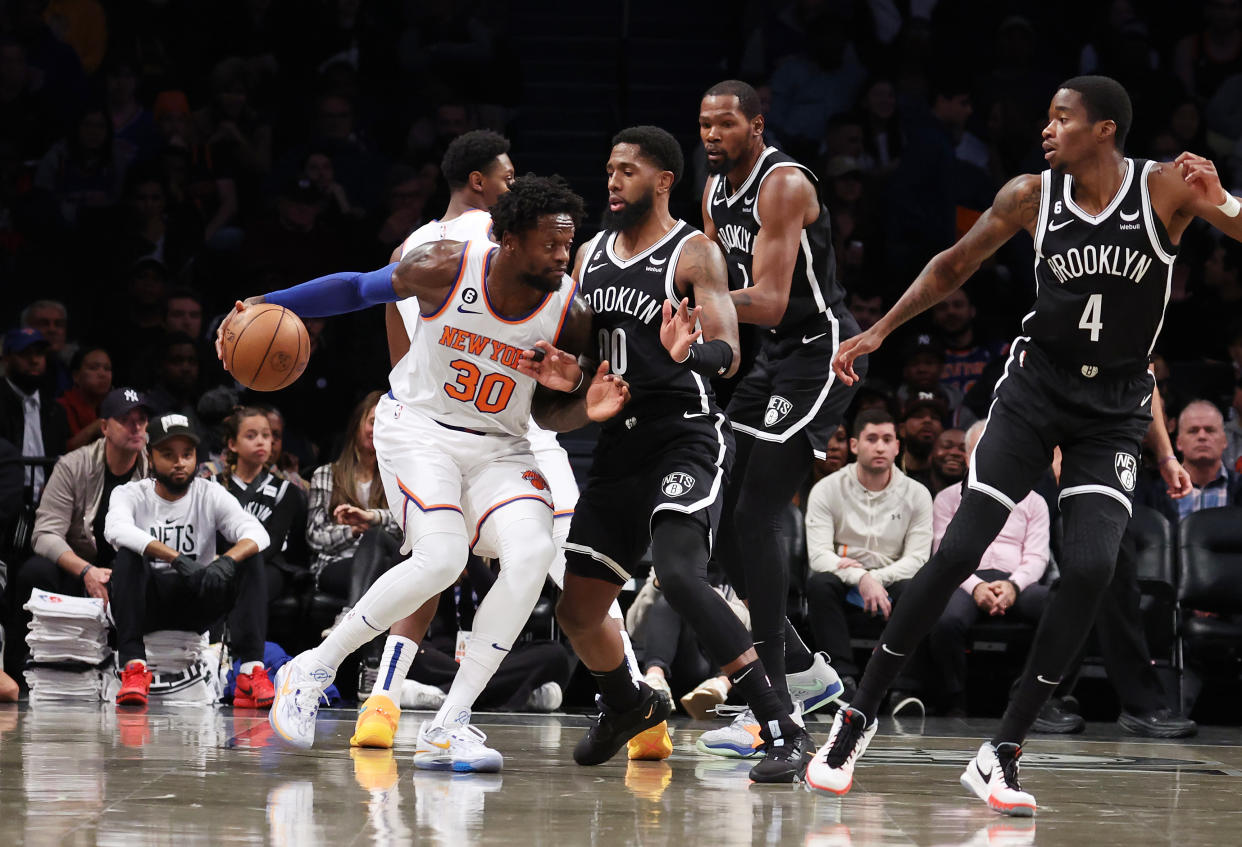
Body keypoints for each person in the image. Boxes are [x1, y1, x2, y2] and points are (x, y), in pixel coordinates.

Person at [808, 75, 1237, 817]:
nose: (1047, 129)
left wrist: (1225, 198)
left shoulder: (1167, 189)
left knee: (1098, 565)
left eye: (1061, 118)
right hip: (1036, 391)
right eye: (1046, 117)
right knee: (959, 548)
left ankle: (1001, 749)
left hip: (1115, 408)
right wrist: (878, 331)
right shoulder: (1029, 196)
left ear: (1104, 129)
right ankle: (856, 715)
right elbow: (952, 265)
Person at [220, 175, 628, 772]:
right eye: (551, 244)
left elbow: (551, 413)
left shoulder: (571, 310)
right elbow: (358, 288)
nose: (564, 257)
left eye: (569, 245)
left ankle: (449, 724)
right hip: (420, 428)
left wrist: (575, 398)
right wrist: (272, 302)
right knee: (441, 559)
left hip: (501, 446)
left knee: (533, 555)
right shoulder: (444, 265)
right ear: (509, 239)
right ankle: (312, 668)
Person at [354, 130, 666, 761]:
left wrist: (414, 394)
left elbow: (389, 317)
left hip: (437, 417)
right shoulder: (513, 242)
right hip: (508, 425)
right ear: (492, 198)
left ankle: (382, 702)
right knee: (573, 570)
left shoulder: (414, 248)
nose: (512, 181)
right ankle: (636, 710)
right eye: (507, 173)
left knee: (430, 563)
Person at [522, 125, 812, 783]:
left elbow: (732, 351)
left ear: (661, 180)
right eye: (608, 168)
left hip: (687, 433)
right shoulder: (589, 255)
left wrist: (690, 351)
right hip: (619, 443)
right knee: (578, 607)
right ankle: (627, 702)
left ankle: (782, 726)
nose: (613, 180)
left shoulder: (693, 252)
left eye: (627, 169)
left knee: (681, 572)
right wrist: (570, 386)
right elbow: (579, 377)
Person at [698, 79, 855, 734]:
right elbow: (710, 283)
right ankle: (806, 673)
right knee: (723, 526)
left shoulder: (784, 183)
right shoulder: (711, 191)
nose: (713, 135)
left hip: (824, 350)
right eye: (705, 124)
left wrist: (689, 302)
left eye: (727, 123)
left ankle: (772, 706)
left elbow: (764, 299)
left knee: (761, 512)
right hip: (770, 360)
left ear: (757, 126)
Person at [104, 412, 271, 707]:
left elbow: (258, 532)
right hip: (149, 602)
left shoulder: (210, 493)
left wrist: (226, 561)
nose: (179, 462)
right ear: (150, 456)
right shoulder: (130, 494)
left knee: (250, 554)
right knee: (129, 554)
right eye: (168, 454)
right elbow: (115, 529)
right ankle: (133, 668)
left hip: (196, 600)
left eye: (187, 454)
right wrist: (175, 557)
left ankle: (250, 672)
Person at [803, 409, 934, 705]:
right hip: (845, 578)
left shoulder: (917, 494)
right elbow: (819, 556)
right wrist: (860, 577)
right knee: (819, 584)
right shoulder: (827, 489)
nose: (879, 447)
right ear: (854, 445)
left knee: (917, 589)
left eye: (887, 439)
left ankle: (902, 688)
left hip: (892, 578)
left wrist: (875, 578)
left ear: (897, 447)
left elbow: (917, 559)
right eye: (871, 438)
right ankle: (842, 679)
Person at [927, 421, 1051, 717]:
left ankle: (1037, 698)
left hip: (1018, 581)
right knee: (944, 620)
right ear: (969, 457)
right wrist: (976, 586)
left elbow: (1036, 556)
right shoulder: (946, 499)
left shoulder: (1034, 502)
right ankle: (954, 700)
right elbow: (942, 554)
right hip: (964, 580)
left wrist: (1014, 585)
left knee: (1059, 608)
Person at [16, 389, 149, 650]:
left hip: (130, 564)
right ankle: (31, 659)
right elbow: (44, 534)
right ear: (104, 428)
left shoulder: (154, 466)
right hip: (79, 562)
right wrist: (87, 571)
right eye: (125, 419)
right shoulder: (73, 465)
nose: (136, 427)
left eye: (141, 419)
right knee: (36, 571)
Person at [200, 406, 309, 616]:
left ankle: (241, 646)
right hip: (216, 561)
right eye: (251, 436)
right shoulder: (211, 485)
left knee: (252, 579)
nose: (261, 441)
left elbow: (273, 542)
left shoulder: (286, 491)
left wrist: (231, 562)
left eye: (266, 436)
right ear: (232, 444)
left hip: (265, 566)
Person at [1, 328, 70, 499]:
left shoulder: (56, 411)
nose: (34, 360)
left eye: (39, 354)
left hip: (50, 505)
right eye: (25, 354)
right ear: (6, 359)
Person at [57, 345, 112, 450]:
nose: (102, 374)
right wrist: (97, 425)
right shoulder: (60, 408)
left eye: (107, 368)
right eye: (93, 368)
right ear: (76, 376)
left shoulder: (114, 406)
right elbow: (61, 451)